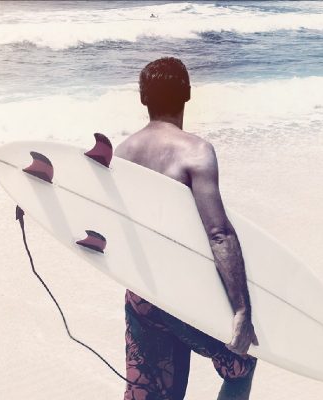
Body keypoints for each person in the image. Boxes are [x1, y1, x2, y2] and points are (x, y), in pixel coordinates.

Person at [115, 57, 258, 400]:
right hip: (183, 296)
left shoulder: (123, 153)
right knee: (241, 364)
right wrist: (241, 309)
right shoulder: (196, 151)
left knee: (152, 390)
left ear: (142, 98)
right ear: (188, 95)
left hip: (141, 295)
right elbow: (218, 233)